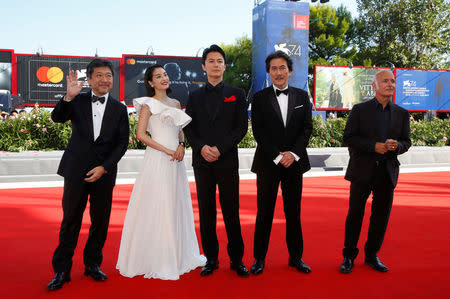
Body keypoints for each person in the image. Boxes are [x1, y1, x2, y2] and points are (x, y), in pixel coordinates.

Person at [116, 65, 206, 280]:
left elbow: (181, 131)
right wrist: (167, 150)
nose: (163, 78)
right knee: (158, 204)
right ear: (150, 82)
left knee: (175, 204)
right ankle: (158, 258)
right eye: (158, 76)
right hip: (158, 160)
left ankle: (177, 255)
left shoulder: (175, 103)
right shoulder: (148, 104)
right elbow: (141, 135)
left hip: (176, 161)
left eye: (164, 75)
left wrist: (182, 146)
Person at [47, 59, 129, 290]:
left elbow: (122, 143)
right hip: (76, 171)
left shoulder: (120, 108)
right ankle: (61, 270)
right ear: (90, 79)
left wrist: (105, 167)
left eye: (108, 76)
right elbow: (57, 118)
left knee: (100, 221)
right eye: (100, 75)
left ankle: (93, 264)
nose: (105, 80)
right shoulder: (77, 100)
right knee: (71, 220)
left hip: (104, 173)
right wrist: (68, 97)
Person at [184, 45, 249, 277]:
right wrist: (201, 148)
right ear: (204, 66)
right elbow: (189, 127)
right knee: (207, 211)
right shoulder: (193, 96)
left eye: (219, 61)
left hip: (227, 160)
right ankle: (211, 259)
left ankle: (237, 259)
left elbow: (241, 127)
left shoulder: (237, 93)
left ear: (224, 65)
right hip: (202, 162)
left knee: (231, 210)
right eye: (211, 61)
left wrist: (220, 149)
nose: (215, 65)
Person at [339, 70, 411, 274]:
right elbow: (349, 138)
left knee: (380, 217)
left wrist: (397, 146)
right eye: (385, 81)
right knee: (355, 214)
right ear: (374, 85)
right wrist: (373, 146)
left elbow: (407, 142)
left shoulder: (402, 114)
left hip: (387, 173)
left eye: (393, 81)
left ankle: (371, 256)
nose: (390, 84)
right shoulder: (360, 110)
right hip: (362, 171)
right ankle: (348, 257)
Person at [250, 51, 313, 275]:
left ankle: (296, 258)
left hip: (294, 164)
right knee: (264, 212)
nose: (279, 72)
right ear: (268, 72)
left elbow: (307, 128)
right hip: (268, 163)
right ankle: (259, 259)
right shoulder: (258, 98)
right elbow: (259, 131)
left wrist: (293, 154)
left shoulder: (302, 96)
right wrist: (278, 155)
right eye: (274, 68)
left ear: (290, 70)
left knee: (293, 213)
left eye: (282, 67)